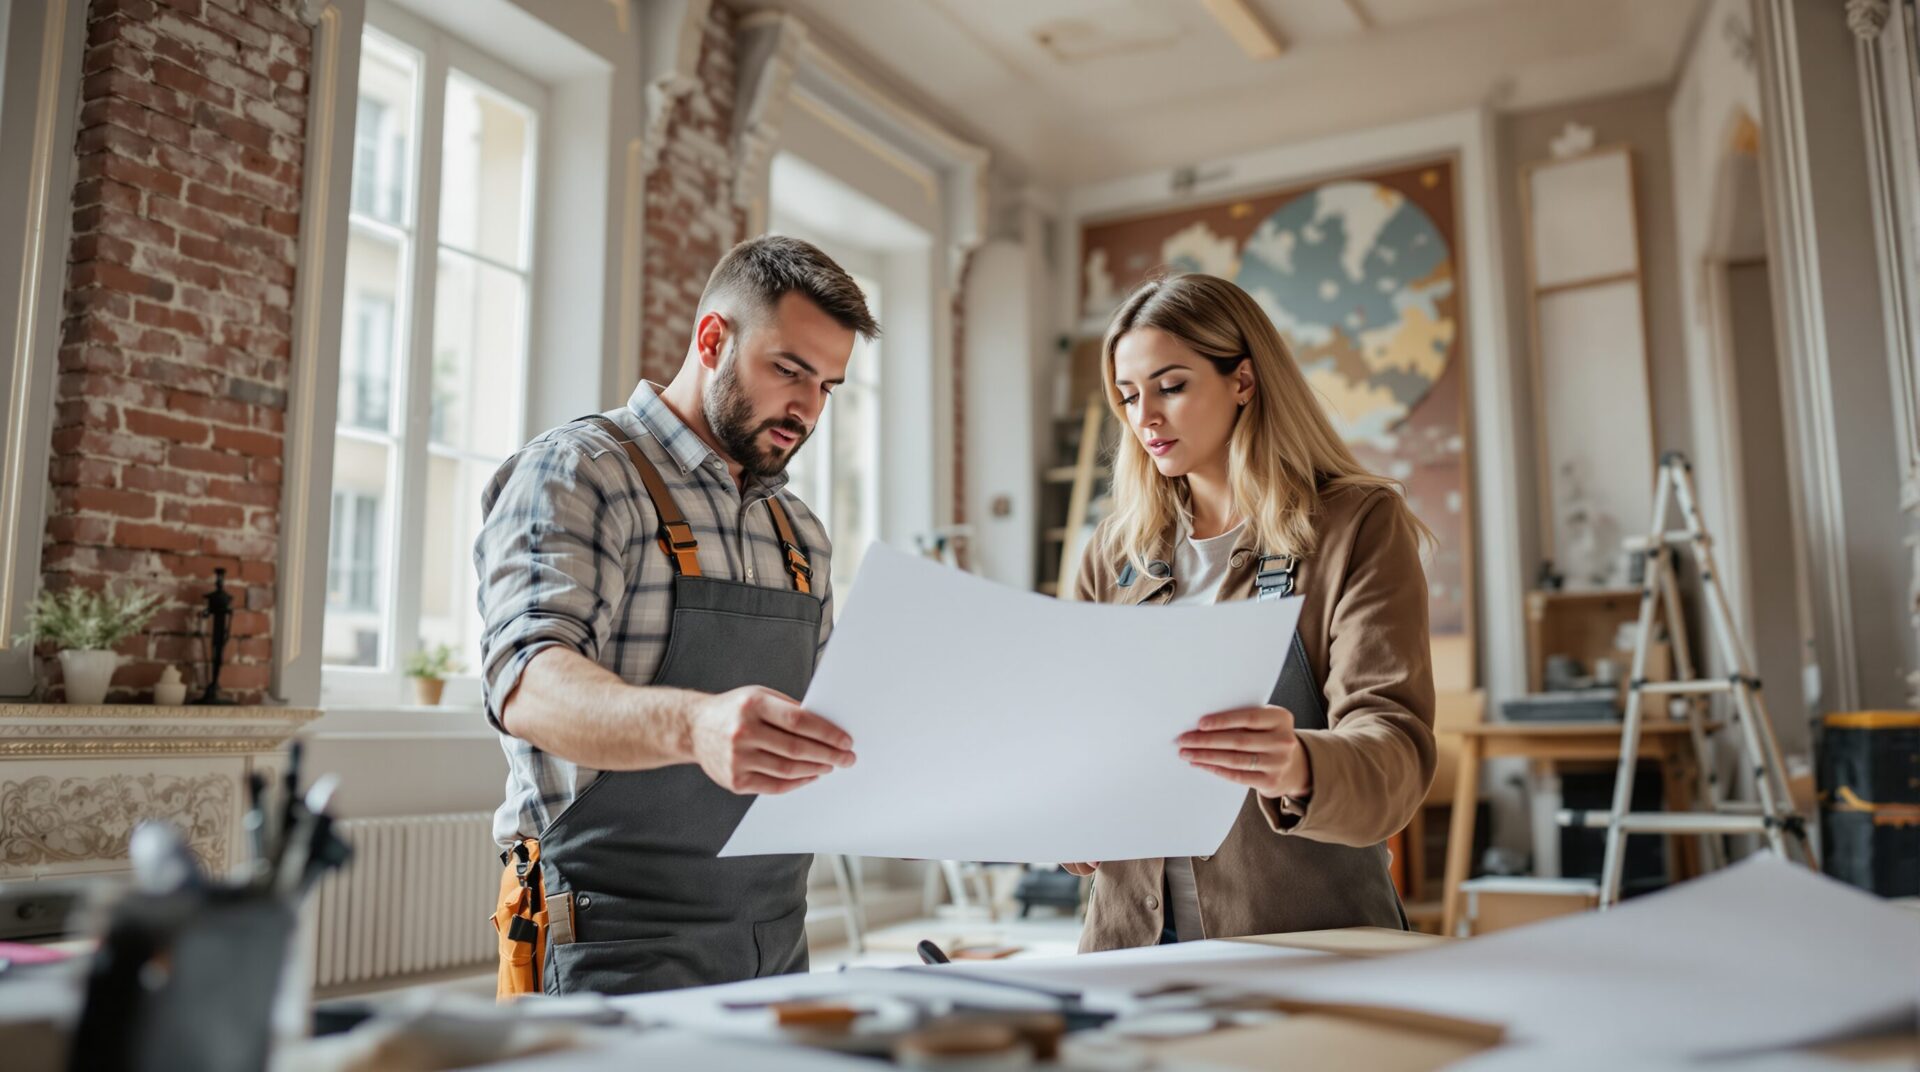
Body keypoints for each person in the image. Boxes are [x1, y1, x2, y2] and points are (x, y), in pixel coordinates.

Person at [476, 235, 879, 995]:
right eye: (789, 370)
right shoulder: (578, 472)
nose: (807, 408)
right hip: (609, 941)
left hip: (775, 942)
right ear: (712, 339)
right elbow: (524, 682)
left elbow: (835, 730)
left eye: (829, 385)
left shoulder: (800, 534)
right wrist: (694, 726)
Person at [1063, 272, 1436, 950]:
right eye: (1127, 395)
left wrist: (1298, 763)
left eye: (1171, 386)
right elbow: (1076, 739)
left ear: (1243, 379)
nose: (1145, 416)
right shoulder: (1113, 550)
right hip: (1128, 944)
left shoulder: (1357, 525)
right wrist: (1063, 814)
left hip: (1308, 939)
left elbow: (1397, 758)